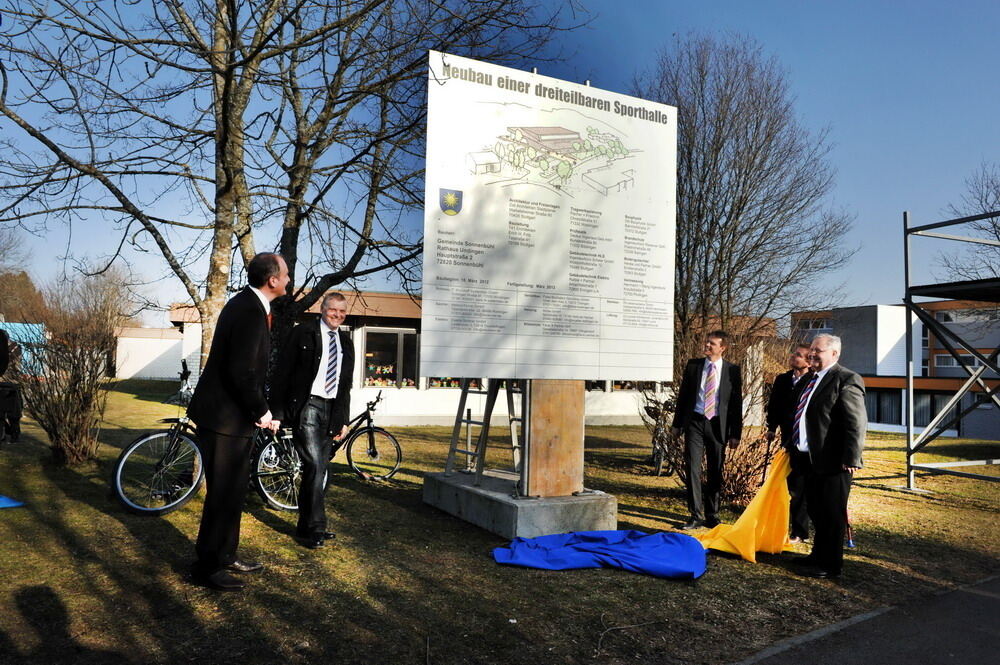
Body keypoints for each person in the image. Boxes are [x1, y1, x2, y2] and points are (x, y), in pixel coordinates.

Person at [187, 252, 289, 591]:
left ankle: (226, 556)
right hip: (223, 419)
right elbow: (241, 371)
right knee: (223, 494)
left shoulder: (250, 306)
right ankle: (208, 568)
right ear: (272, 279)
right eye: (285, 274)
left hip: (232, 420)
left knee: (233, 493)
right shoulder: (248, 309)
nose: (289, 279)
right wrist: (262, 412)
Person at [271, 292, 354, 549]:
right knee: (316, 465)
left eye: (342, 312)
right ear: (322, 308)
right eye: (333, 310)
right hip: (307, 405)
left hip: (331, 410)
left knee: (317, 469)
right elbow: (282, 373)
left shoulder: (346, 341)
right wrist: (276, 412)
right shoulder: (302, 333)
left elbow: (345, 384)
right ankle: (317, 527)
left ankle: (305, 526)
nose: (337, 316)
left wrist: (343, 419)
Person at [791, 333, 866, 579]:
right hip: (808, 459)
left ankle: (830, 565)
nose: (812, 354)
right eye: (811, 349)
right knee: (815, 510)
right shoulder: (811, 379)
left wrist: (852, 457)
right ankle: (817, 556)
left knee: (832, 515)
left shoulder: (846, 379)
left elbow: (855, 422)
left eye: (818, 350)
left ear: (834, 354)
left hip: (834, 462)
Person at [671, 330, 743, 530]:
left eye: (712, 343)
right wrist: (677, 424)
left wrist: (736, 433)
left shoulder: (732, 371)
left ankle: (713, 515)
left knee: (715, 470)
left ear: (723, 348)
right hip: (695, 422)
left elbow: (736, 403)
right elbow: (683, 397)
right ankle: (695, 515)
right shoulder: (694, 366)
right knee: (693, 468)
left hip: (717, 425)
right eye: (706, 342)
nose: (707, 345)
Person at [765, 343, 814, 543]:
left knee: (801, 487)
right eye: (794, 354)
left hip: (805, 440)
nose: (794, 357)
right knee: (787, 482)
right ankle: (781, 523)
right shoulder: (782, 379)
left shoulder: (812, 381)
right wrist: (771, 427)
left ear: (809, 361)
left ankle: (800, 531)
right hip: (787, 438)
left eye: (799, 355)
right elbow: (774, 405)